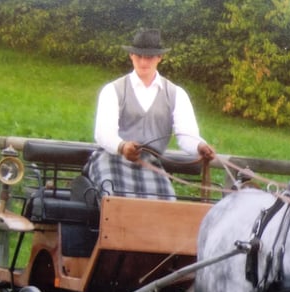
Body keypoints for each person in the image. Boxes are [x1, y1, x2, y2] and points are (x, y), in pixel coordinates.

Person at [86, 28, 215, 199]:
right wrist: (122, 147)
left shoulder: (176, 94)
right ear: (131, 55)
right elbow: (103, 133)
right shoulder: (113, 90)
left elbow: (186, 134)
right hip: (112, 159)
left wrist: (200, 146)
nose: (143, 62)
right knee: (114, 202)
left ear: (159, 57)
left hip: (151, 164)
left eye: (149, 57)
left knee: (166, 205)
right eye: (138, 56)